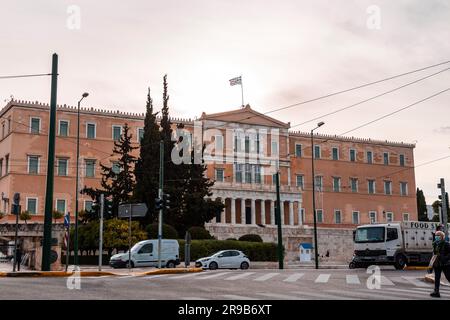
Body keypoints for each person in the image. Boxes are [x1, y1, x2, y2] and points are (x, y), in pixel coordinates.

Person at [430, 231, 450, 298]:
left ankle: (436, 291)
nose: (436, 237)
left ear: (442, 237)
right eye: (436, 235)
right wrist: (431, 265)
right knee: (437, 278)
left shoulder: (446, 244)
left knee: (448, 277)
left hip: (445, 264)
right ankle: (436, 292)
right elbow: (434, 255)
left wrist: (445, 258)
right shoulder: (435, 244)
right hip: (437, 264)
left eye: (438, 235)